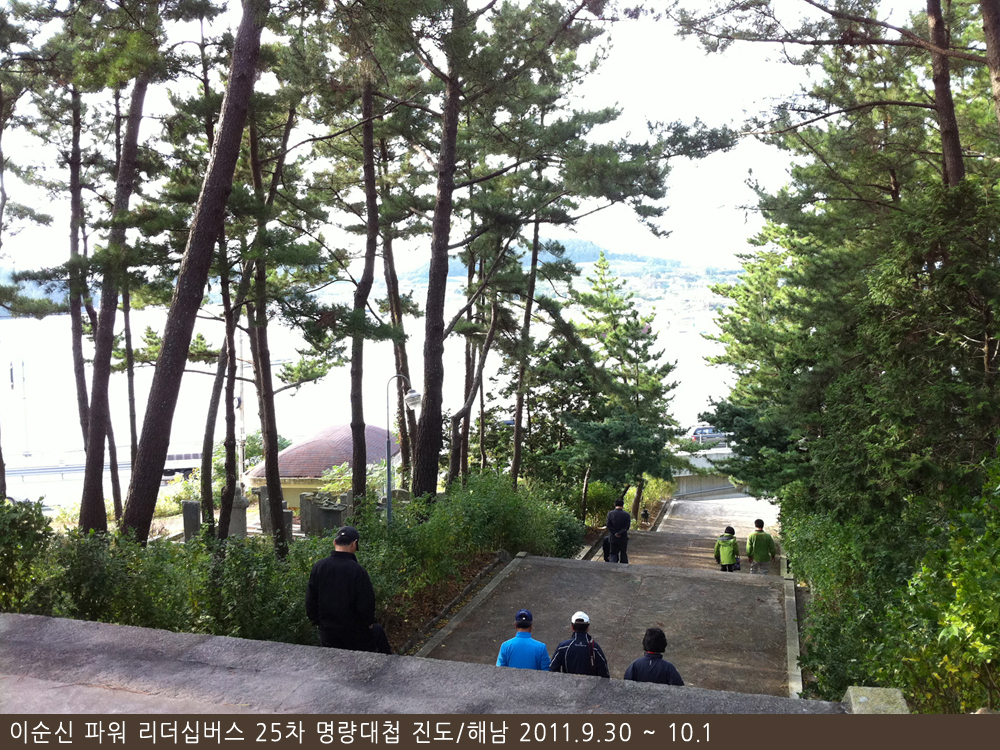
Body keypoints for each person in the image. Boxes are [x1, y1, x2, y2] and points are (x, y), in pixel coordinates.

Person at [305, 525, 392, 654]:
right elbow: (366, 604)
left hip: (328, 632)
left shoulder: (319, 567)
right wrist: (368, 623)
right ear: (354, 544)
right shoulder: (358, 571)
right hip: (355, 633)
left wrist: (319, 622)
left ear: (335, 542)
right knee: (378, 636)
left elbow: (310, 600)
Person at [549, 611, 610, 678]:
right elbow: (604, 674)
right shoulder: (595, 648)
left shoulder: (563, 647)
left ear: (572, 627)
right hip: (590, 684)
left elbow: (552, 670)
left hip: (568, 683)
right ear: (588, 628)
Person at [606, 498, 631, 564]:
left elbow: (608, 525)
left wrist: (615, 533)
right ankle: (624, 567)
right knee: (623, 553)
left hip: (613, 538)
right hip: (623, 538)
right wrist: (620, 533)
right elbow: (627, 527)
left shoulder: (610, 514)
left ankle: (613, 567)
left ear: (615, 505)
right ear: (623, 505)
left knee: (613, 553)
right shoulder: (627, 515)